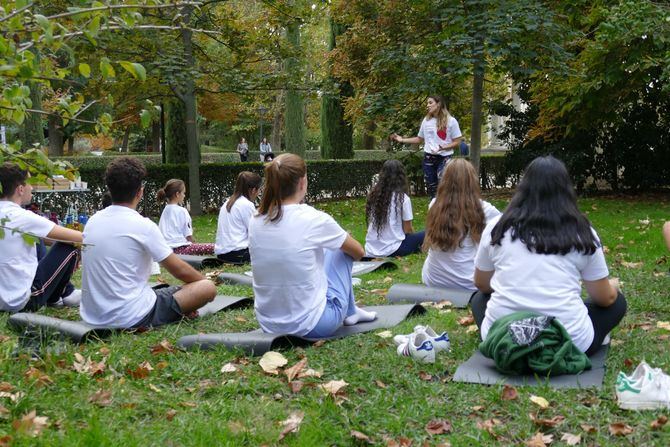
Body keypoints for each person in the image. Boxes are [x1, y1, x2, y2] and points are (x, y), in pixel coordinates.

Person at [472, 156, 626, 356]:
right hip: (569, 342)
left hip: (502, 337)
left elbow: (482, 284)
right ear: (566, 190)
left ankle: (512, 342)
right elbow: (604, 299)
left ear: (523, 188)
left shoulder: (497, 227)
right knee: (618, 302)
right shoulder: (582, 231)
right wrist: (612, 287)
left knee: (478, 300)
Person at [249, 153, 376, 337]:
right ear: (302, 182)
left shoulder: (255, 219)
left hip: (268, 324)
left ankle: (352, 311)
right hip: (313, 324)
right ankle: (350, 312)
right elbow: (358, 252)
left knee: (330, 245)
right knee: (342, 249)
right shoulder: (314, 218)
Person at [80, 157, 216, 329]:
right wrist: (201, 283)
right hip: (132, 316)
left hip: (93, 316)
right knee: (207, 288)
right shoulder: (143, 226)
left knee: (169, 291)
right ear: (140, 192)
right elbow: (180, 270)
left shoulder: (92, 221)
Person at [0, 162, 82, 312]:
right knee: (69, 245)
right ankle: (60, 295)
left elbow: (48, 237)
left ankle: (66, 291)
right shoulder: (22, 217)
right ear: (20, 189)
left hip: (2, 298)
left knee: (35, 238)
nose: (33, 188)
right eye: (30, 183)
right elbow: (78, 238)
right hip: (22, 302)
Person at [422, 159, 500, 291]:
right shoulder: (485, 209)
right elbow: (508, 231)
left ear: (444, 179)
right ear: (472, 180)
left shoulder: (434, 205)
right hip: (468, 283)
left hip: (434, 281)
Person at [391, 95, 463, 198]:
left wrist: (444, 147)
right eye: (427, 103)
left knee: (443, 184)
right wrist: (402, 139)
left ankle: (447, 209)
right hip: (429, 158)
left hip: (445, 157)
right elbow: (419, 139)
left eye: (430, 103)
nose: (427, 105)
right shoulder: (426, 120)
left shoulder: (451, 121)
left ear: (438, 104)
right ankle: (433, 210)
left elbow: (457, 142)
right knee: (432, 188)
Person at [365, 159, 424, 258]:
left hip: (370, 249)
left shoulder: (373, 196)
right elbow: (408, 230)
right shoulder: (403, 199)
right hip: (393, 250)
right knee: (427, 233)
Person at [215, 171, 262, 264]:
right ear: (253, 190)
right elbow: (255, 232)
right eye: (259, 190)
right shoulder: (246, 205)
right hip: (238, 254)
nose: (259, 193)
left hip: (222, 254)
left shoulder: (228, 202)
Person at [157, 179, 214, 256]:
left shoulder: (165, 210)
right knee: (213, 247)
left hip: (165, 251)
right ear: (177, 194)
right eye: (183, 193)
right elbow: (188, 235)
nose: (184, 195)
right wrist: (194, 244)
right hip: (179, 249)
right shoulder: (182, 211)